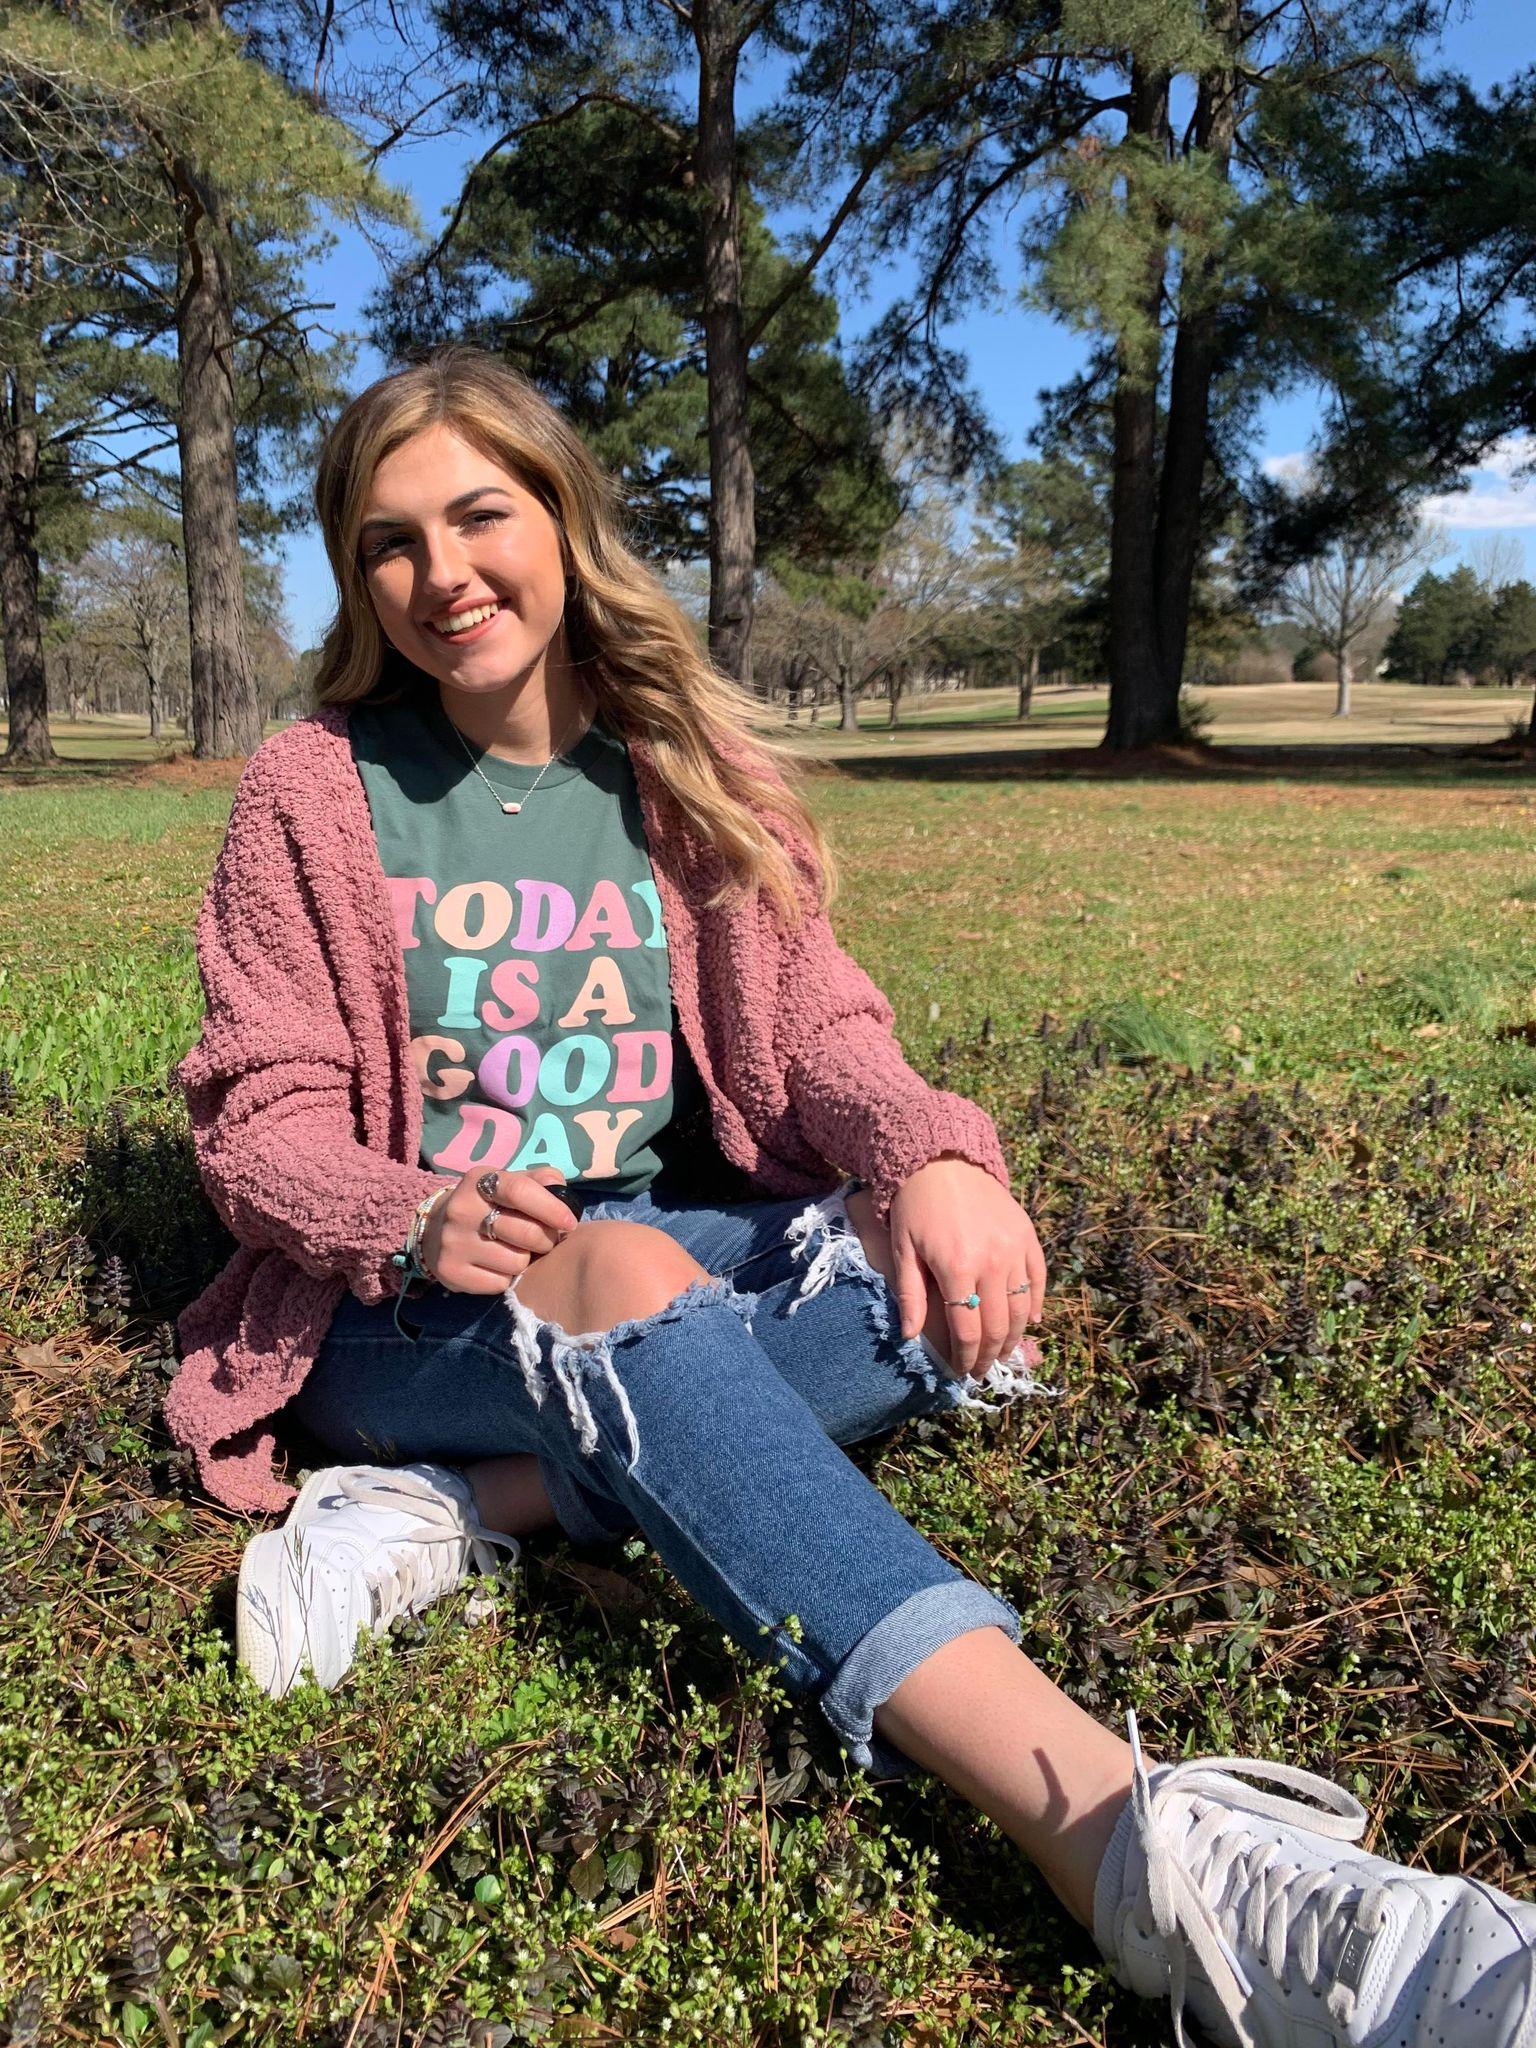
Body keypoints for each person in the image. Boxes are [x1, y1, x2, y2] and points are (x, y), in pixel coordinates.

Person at [166, 347, 1536, 2048]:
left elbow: (817, 1028)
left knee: (918, 1286)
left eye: (478, 516)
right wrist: (400, 1213)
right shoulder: (314, 786)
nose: (441, 576)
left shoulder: (674, 763)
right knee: (622, 1271)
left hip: (670, 1256)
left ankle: (477, 1507)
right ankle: (1132, 1844)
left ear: (563, 519)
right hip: (411, 1311)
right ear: (353, 572)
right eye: (388, 542)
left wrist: (932, 1154)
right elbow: (256, 1106)